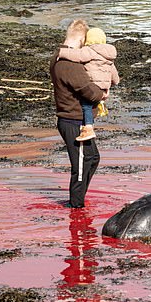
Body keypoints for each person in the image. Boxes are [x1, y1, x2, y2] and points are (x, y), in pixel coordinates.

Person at [50, 19, 107, 208]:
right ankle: (76, 207)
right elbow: (88, 91)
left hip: (74, 120)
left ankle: (78, 199)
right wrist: (102, 94)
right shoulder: (69, 64)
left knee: (92, 158)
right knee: (81, 166)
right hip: (72, 121)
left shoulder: (58, 57)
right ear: (82, 40)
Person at [57, 27, 119, 142]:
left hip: (93, 85)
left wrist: (61, 52)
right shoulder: (109, 56)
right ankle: (97, 113)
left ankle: (88, 128)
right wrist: (110, 85)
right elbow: (115, 76)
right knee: (92, 107)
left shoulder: (90, 50)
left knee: (86, 106)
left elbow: (77, 56)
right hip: (104, 87)